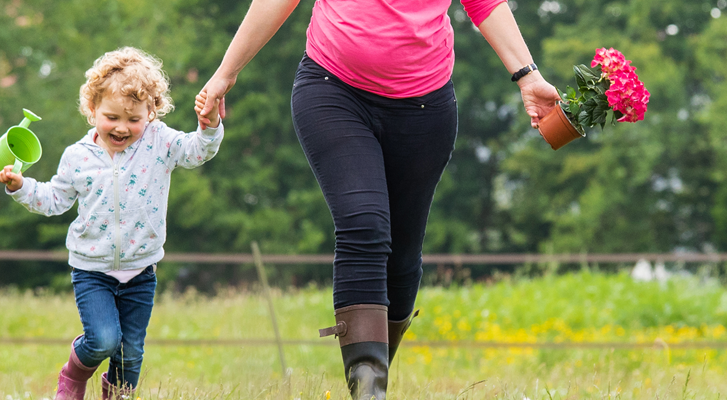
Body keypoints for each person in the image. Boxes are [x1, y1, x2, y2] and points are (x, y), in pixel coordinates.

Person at [194, 0, 560, 398]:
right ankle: (367, 389)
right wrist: (225, 74)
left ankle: (375, 371)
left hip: (425, 108)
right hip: (333, 88)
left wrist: (527, 75)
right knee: (364, 224)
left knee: (402, 258)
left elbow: (484, 3)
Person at [0, 46, 227, 400]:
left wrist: (209, 129)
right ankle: (73, 374)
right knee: (103, 341)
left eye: (134, 119)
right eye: (112, 117)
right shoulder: (77, 156)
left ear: (151, 112)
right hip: (92, 270)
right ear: (92, 110)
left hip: (141, 270)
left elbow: (195, 151)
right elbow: (54, 200)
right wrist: (21, 186)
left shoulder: (160, 142)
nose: (122, 128)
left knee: (130, 353)